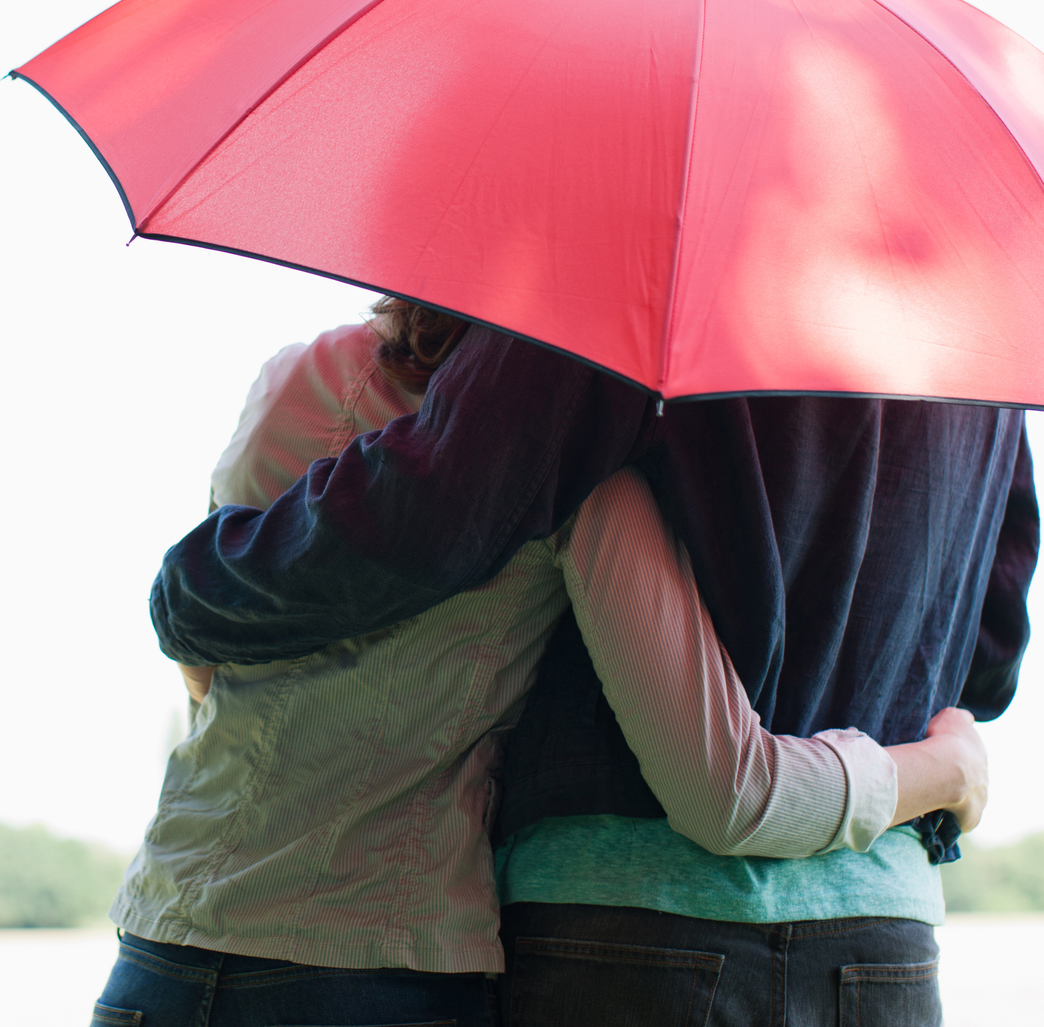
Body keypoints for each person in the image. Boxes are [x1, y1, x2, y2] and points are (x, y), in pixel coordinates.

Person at [92, 302, 991, 1027]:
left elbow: (208, 667)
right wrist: (942, 769)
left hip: (165, 948)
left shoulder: (298, 379)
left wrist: (182, 600)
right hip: (385, 963)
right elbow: (740, 782)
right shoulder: (571, 472)